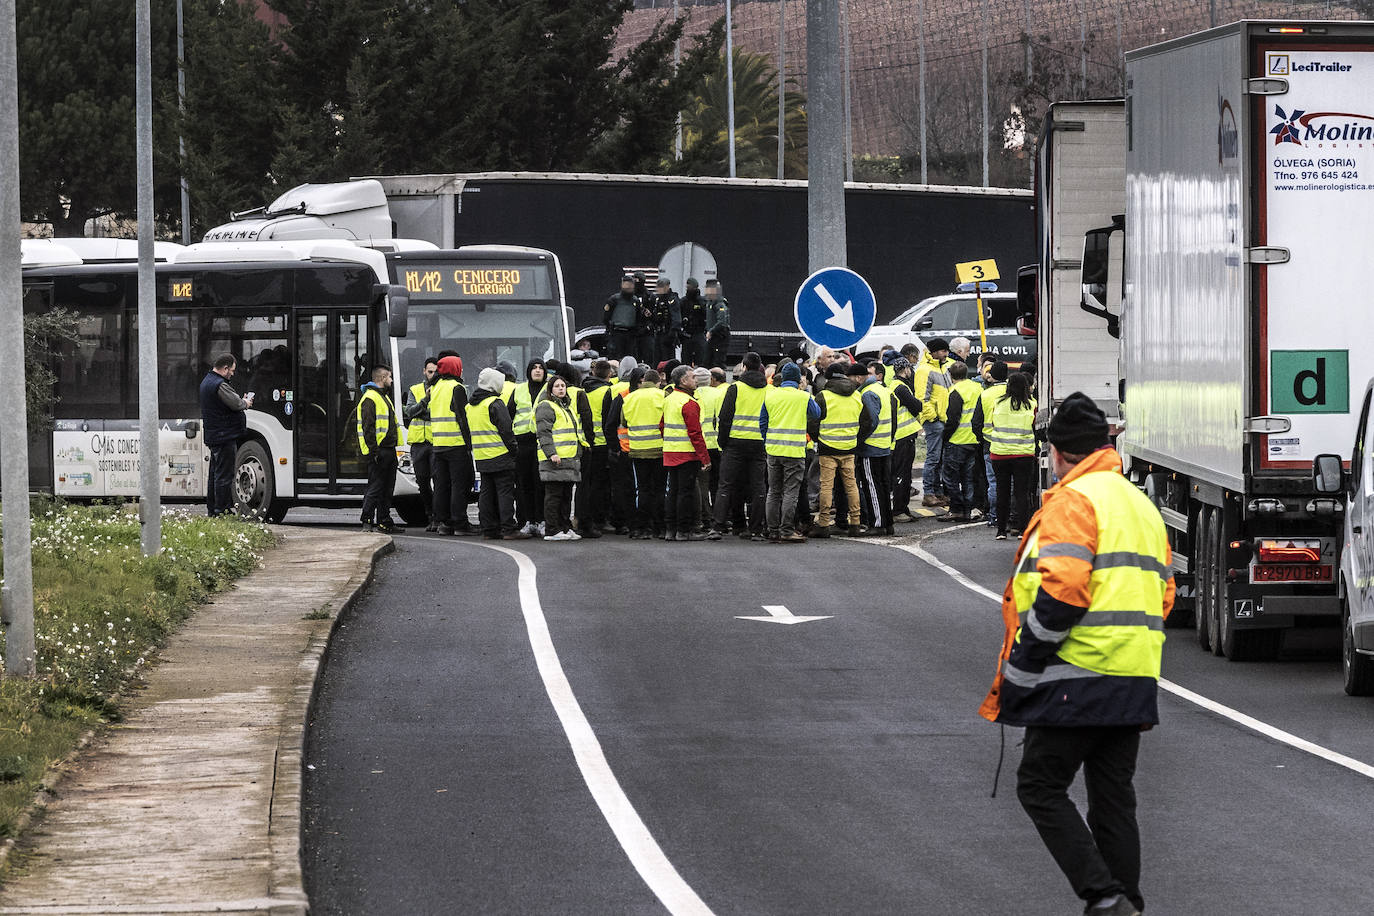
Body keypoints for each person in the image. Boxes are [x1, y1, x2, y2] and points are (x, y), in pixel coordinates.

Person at [979, 392, 1173, 916]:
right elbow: (1164, 594)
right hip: (1134, 673)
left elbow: (1062, 590)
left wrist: (1023, 666)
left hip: (1077, 671)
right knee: (1113, 796)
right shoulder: (1139, 504)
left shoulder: (1073, 500)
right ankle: (1126, 902)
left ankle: (1104, 896)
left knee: (1040, 784)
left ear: (1058, 453)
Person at [808, 362, 873, 538]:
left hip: (828, 448)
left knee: (827, 487)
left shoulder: (823, 396)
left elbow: (812, 422)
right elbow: (867, 422)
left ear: (828, 378)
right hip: (849, 448)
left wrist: (818, 439)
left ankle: (823, 524)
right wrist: (855, 440)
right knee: (851, 486)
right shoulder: (856, 396)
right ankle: (855, 523)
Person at [467, 368, 529, 540]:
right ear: (493, 383)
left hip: (481, 456)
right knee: (505, 492)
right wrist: (514, 450)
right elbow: (506, 430)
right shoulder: (495, 403)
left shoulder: (471, 405)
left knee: (486, 493)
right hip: (500, 454)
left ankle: (489, 529)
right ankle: (508, 528)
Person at [761, 361, 819, 542]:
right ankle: (786, 530)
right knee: (791, 492)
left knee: (773, 491)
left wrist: (767, 440)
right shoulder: (802, 397)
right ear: (797, 379)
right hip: (794, 451)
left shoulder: (770, 396)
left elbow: (763, 422)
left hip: (773, 449)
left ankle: (772, 530)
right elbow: (816, 414)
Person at [713, 352, 768, 540]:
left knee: (726, 485)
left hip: (735, 443)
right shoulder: (768, 390)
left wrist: (723, 442)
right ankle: (756, 529)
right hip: (759, 444)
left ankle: (718, 526)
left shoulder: (735, 388)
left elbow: (725, 418)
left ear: (744, 366)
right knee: (758, 486)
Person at [982, 371, 1037, 539]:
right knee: (1021, 492)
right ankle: (1022, 529)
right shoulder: (1032, 404)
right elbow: (1035, 426)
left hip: (1000, 453)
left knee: (1002, 491)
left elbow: (992, 423)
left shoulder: (998, 403)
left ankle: (1000, 530)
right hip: (1023, 454)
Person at [199, 353, 253, 518]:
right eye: (232, 370)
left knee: (215, 475)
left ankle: (213, 510)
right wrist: (246, 403)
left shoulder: (206, 382)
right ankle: (222, 510)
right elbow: (235, 403)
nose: (232, 374)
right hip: (224, 435)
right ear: (225, 368)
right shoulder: (219, 384)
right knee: (224, 476)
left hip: (215, 435)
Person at [662, 365, 712, 541]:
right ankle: (684, 530)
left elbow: (662, 425)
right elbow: (695, 433)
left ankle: (670, 529)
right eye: (692, 377)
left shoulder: (669, 399)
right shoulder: (689, 403)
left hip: (670, 451)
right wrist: (705, 458)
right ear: (683, 381)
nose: (696, 380)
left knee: (673, 492)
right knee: (686, 492)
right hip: (687, 454)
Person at [429, 355, 476, 535]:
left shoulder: (435, 387)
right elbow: (462, 418)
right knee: (459, 485)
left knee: (442, 485)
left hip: (438, 444)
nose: (462, 370)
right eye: (460, 367)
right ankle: (460, 523)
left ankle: (444, 522)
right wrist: (469, 443)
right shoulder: (457, 388)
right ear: (454, 369)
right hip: (456, 444)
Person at [534, 374, 585, 540]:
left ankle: (564, 527)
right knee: (554, 496)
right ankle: (552, 529)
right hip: (554, 460)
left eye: (563, 386)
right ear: (550, 390)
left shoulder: (566, 407)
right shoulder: (546, 406)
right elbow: (544, 432)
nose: (561, 388)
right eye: (557, 386)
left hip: (569, 460)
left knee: (566, 496)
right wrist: (551, 453)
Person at [619, 369, 667, 538]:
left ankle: (641, 527)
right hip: (659, 448)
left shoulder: (629, 397)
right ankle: (660, 527)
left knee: (643, 489)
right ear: (657, 382)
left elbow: (623, 421)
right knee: (661, 489)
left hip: (637, 449)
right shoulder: (662, 396)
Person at [357, 365, 404, 533]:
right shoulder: (371, 398)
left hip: (388, 449)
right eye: (390, 377)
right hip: (379, 451)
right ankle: (367, 520)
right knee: (376, 487)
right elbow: (367, 427)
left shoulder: (382, 397)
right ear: (383, 378)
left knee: (386, 488)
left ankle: (384, 521)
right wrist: (374, 451)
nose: (391, 380)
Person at [939, 361, 984, 523]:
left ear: (951, 375)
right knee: (968, 477)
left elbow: (953, 419)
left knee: (950, 477)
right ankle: (968, 508)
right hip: (973, 440)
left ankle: (956, 509)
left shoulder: (955, 391)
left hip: (957, 440)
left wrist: (945, 437)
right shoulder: (977, 388)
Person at [856, 361, 897, 536]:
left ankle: (878, 523)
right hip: (884, 445)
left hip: (871, 447)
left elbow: (871, 421)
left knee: (872, 486)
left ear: (858, 377)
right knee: (883, 486)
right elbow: (893, 419)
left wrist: (859, 440)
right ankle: (887, 523)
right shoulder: (884, 390)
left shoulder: (867, 393)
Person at [576, 359, 616, 537]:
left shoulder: (583, 389)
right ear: (609, 374)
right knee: (602, 485)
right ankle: (601, 519)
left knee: (587, 484)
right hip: (602, 444)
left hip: (585, 442)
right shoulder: (607, 391)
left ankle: (585, 517)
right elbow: (609, 420)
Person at [912, 338, 953, 507]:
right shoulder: (925, 370)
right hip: (934, 421)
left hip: (942, 419)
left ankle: (937, 492)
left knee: (940, 459)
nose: (946, 354)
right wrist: (933, 417)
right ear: (935, 352)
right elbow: (922, 397)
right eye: (943, 351)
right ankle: (929, 493)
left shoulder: (942, 367)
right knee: (933, 458)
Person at [508, 359, 547, 536]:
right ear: (528, 371)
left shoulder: (549, 389)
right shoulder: (519, 390)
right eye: (534, 368)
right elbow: (509, 414)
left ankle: (541, 520)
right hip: (522, 443)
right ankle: (526, 521)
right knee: (523, 484)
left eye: (541, 368)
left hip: (542, 442)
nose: (537, 371)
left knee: (541, 484)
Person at [401, 357, 440, 530]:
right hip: (418, 443)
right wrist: (424, 401)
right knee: (422, 482)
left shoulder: (442, 389)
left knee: (438, 482)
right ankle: (430, 515)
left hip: (435, 441)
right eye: (430, 371)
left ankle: (438, 517)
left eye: (436, 372)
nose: (433, 375)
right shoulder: (415, 389)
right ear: (424, 371)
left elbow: (438, 413)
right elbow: (409, 411)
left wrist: (420, 411)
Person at [885, 357, 924, 523]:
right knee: (902, 474)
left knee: (902, 473)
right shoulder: (901, 388)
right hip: (903, 436)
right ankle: (899, 510)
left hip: (900, 436)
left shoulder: (894, 385)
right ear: (906, 369)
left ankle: (902, 508)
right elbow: (917, 406)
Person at [973, 360, 1010, 530]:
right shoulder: (1013, 391)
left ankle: (994, 516)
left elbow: (976, 421)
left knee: (993, 482)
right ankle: (1011, 516)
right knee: (1011, 482)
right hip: (1014, 443)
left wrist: (981, 438)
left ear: (992, 376)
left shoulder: (985, 394)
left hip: (990, 444)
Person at [694, 366, 726, 530]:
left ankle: (705, 517)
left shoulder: (693, 395)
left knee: (702, 484)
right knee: (719, 483)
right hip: (717, 444)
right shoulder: (719, 393)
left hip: (700, 445)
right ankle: (720, 517)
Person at [603, 274, 641, 359]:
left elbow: (638, 318)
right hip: (617, 333)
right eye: (626, 285)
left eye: (630, 285)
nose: (628, 287)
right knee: (615, 358)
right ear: (622, 285)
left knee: (629, 358)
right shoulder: (614, 299)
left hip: (630, 335)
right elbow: (606, 317)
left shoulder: (636, 301)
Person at [650, 277, 682, 366]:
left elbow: (676, 318)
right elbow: (657, 317)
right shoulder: (658, 300)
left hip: (668, 334)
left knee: (667, 360)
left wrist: (672, 333)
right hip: (658, 334)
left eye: (661, 287)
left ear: (667, 287)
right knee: (656, 359)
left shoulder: (672, 300)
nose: (659, 289)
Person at [679, 278, 708, 365]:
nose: (689, 289)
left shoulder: (702, 301)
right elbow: (678, 316)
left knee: (701, 358)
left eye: (691, 287)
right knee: (685, 359)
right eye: (688, 287)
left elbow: (707, 316)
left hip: (699, 333)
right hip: (687, 334)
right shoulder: (683, 301)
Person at [704, 279, 731, 369]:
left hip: (719, 337)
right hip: (712, 338)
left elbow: (722, 321)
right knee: (707, 362)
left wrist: (711, 331)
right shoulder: (709, 303)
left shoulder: (720, 303)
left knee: (717, 362)